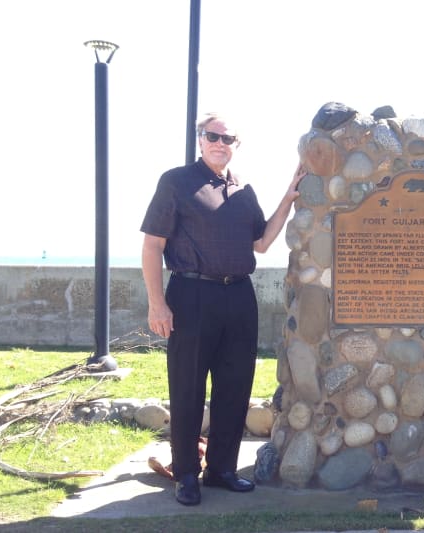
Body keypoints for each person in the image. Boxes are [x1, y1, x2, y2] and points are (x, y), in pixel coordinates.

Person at [140, 112, 305, 506]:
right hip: (191, 295)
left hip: (239, 297)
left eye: (227, 137)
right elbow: (152, 246)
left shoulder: (243, 190)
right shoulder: (176, 182)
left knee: (235, 387)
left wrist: (287, 198)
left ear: (236, 145)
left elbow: (262, 243)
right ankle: (185, 475)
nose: (219, 142)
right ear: (200, 140)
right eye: (212, 135)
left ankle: (221, 469)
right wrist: (156, 302)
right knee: (187, 388)